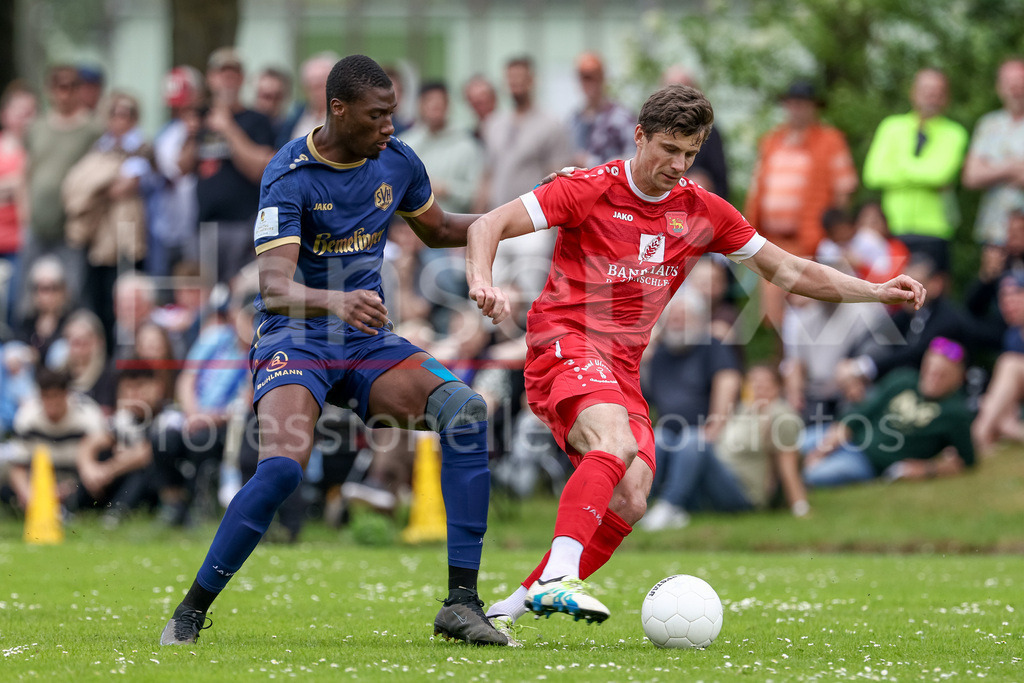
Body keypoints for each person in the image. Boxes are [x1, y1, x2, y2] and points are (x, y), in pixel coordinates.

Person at [464, 83, 925, 633]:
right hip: (563, 342)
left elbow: (791, 271)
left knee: (633, 496)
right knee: (614, 442)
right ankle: (557, 578)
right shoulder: (587, 188)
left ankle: (504, 612)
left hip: (621, 366)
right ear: (640, 136)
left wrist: (874, 290)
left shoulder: (702, 212)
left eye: (690, 153)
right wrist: (481, 280)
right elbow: (485, 224)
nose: (678, 165)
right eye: (668, 149)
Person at [159, 54, 508, 647]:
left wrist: (535, 214)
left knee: (467, 413)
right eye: (378, 116)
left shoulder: (396, 161)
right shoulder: (289, 174)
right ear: (338, 110)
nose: (390, 127)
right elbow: (273, 287)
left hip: (367, 343)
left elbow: (444, 228)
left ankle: (461, 604)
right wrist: (337, 301)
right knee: (282, 468)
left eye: (393, 114)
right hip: (296, 338)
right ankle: (191, 611)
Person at [744, 80, 858, 329]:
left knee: (803, 305)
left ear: (813, 108)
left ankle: (796, 363)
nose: (797, 109)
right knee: (771, 309)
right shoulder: (771, 141)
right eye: (792, 104)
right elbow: (756, 188)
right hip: (771, 239)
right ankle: (780, 362)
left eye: (803, 104)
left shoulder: (830, 141)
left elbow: (843, 191)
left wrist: (835, 237)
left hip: (809, 239)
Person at [642, 364, 809, 530]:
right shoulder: (743, 409)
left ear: (778, 387)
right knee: (663, 437)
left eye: (766, 381)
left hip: (743, 493)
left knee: (694, 439)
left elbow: (788, 462)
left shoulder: (780, 415)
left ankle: (669, 505)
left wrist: (800, 506)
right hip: (716, 482)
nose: (759, 385)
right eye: (753, 380)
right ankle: (640, 505)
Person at [803, 337, 975, 488]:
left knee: (811, 475)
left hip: (868, 462)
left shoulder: (955, 413)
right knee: (790, 444)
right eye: (930, 370)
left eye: (941, 375)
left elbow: (967, 461)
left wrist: (927, 469)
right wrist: (822, 450)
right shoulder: (904, 379)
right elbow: (861, 413)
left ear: (958, 378)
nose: (932, 378)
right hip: (847, 435)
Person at [476, 56, 572, 300]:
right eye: (511, 79)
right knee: (491, 295)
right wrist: (476, 219)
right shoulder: (494, 124)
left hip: (532, 225)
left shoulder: (551, 124)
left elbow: (559, 177)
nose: (516, 84)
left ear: (532, 81)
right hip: (496, 221)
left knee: (529, 297)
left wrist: (552, 228)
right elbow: (487, 174)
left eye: (521, 78)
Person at [181, 47, 275, 284]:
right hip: (204, 226)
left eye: (233, 75)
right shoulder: (202, 118)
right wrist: (192, 135)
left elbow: (261, 169)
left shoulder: (256, 120)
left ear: (242, 80)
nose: (228, 81)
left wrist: (228, 128)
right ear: (211, 79)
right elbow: (182, 167)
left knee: (239, 292)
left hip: (243, 225)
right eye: (222, 74)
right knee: (202, 294)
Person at [863, 68, 969, 273]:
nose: (931, 96)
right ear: (913, 92)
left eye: (937, 91)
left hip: (934, 229)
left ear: (946, 97)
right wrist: (924, 173)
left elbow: (940, 175)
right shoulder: (891, 126)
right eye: (926, 89)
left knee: (929, 297)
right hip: (892, 226)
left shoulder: (955, 133)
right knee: (890, 296)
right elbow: (873, 174)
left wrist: (898, 165)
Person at [961, 58, 1024, 246]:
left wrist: (992, 169)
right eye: (1009, 83)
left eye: (1020, 82)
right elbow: (971, 176)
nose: (1015, 88)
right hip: (994, 230)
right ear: (999, 87)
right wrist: (1013, 168)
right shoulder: (988, 124)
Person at [0, 81, 36, 326]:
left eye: (30, 112)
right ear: (5, 114)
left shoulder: (38, 150)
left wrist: (16, 186)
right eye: (19, 112)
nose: (25, 119)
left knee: (17, 308)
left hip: (23, 244)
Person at [570, 52, 636, 167]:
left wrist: (592, 162)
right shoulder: (574, 120)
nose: (589, 84)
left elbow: (633, 158)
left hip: (612, 182)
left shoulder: (621, 117)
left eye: (593, 78)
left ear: (602, 79)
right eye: (584, 78)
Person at [280, 51, 339, 146]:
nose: (316, 93)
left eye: (320, 86)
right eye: (310, 86)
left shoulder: (344, 117)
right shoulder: (296, 115)